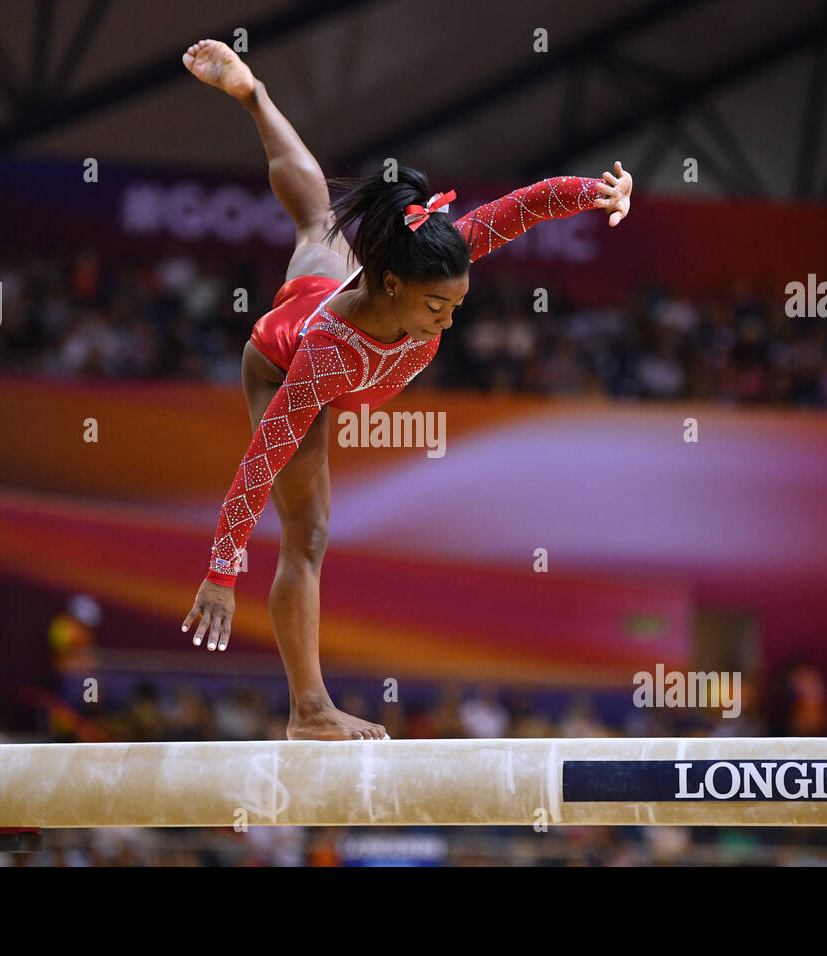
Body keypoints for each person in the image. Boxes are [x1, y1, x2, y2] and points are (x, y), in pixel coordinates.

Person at [179, 40, 632, 739]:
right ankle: (309, 711)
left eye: (456, 305)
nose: (450, 321)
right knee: (309, 534)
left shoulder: (432, 254)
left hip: (324, 290)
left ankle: (254, 94)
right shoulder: (327, 357)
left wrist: (595, 193)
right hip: (284, 359)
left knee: (313, 221)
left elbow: (526, 205)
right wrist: (220, 569)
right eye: (437, 309)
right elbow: (261, 462)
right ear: (391, 284)